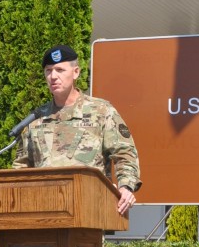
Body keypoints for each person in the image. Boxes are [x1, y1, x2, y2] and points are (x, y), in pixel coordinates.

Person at [13, 44, 141, 215]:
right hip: (44, 211)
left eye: (60, 70)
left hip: (89, 209)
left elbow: (125, 152)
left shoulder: (101, 111)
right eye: (48, 71)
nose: (53, 76)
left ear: (76, 73)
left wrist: (125, 187)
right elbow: (21, 167)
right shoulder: (36, 118)